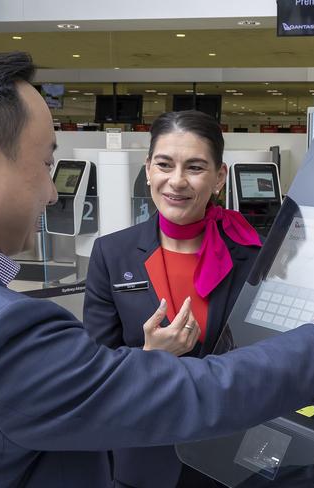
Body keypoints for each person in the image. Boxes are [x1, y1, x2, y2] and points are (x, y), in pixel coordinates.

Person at [0, 40, 314, 488]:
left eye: (196, 167)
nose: (51, 190)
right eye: (46, 163)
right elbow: (192, 391)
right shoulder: (2, 330)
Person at [83, 110, 269, 487]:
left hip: (228, 449)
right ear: (148, 169)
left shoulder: (253, 254)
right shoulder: (112, 254)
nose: (177, 181)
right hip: (144, 453)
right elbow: (95, 370)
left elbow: (266, 355)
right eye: (165, 165)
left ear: (220, 177)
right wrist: (149, 358)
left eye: (195, 167)